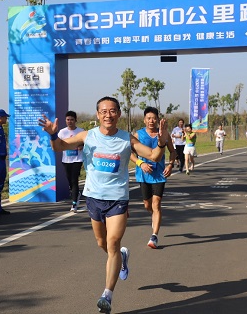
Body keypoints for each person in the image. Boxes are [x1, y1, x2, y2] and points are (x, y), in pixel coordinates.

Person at [38, 96, 170, 314]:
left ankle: (107, 295)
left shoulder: (127, 139)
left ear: (118, 114)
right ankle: (122, 257)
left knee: (113, 242)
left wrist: (162, 141)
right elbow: (59, 146)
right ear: (98, 114)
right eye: (103, 111)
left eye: (112, 111)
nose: (108, 115)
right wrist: (53, 134)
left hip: (118, 198)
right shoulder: (87, 136)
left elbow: (154, 156)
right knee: (103, 243)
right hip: (93, 198)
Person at [129, 107, 176, 250]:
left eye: (154, 118)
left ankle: (154, 236)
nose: (151, 121)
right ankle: (155, 217)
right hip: (143, 174)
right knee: (147, 205)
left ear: (157, 119)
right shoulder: (138, 134)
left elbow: (172, 152)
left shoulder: (164, 134)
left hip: (159, 175)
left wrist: (171, 165)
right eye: (148, 118)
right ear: (144, 120)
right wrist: (140, 163)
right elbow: (130, 153)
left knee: (156, 204)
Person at [58, 111, 84, 212]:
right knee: (70, 181)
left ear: (75, 120)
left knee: (74, 180)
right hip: (66, 160)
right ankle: (76, 194)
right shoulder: (62, 132)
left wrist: (82, 146)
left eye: (72, 120)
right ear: (65, 120)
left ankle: (74, 203)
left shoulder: (81, 131)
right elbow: (58, 144)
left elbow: (87, 143)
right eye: (68, 120)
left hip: (78, 159)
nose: (70, 122)